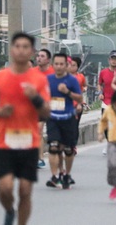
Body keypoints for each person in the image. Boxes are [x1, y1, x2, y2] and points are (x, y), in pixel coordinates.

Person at [0, 32, 51, 225]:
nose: (21, 50)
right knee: (5, 189)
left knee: (25, 189)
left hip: (29, 142)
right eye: (18, 46)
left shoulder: (38, 79)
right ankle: (9, 209)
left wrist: (35, 97)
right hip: (5, 142)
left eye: (26, 47)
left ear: (31, 51)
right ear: (12, 49)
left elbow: (47, 112)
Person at [45, 53, 83, 190]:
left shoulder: (72, 80)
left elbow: (79, 98)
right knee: (53, 147)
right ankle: (55, 176)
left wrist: (67, 92)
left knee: (67, 149)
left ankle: (67, 174)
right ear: (52, 65)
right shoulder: (47, 79)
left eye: (62, 64)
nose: (59, 67)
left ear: (66, 66)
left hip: (68, 118)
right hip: (53, 118)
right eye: (56, 64)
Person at [98, 50, 116, 155]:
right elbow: (100, 84)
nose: (114, 61)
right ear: (109, 60)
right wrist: (100, 93)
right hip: (106, 101)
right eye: (112, 59)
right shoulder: (103, 72)